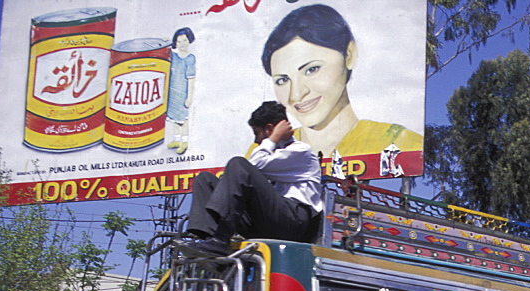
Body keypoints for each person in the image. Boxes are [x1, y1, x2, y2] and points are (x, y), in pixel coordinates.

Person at [261, 4, 422, 165]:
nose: (296, 94)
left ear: (348, 55)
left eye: (312, 69)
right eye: (282, 80)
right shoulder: (268, 151)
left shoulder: (400, 143)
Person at [178, 101, 323, 257]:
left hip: (292, 222)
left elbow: (252, 165)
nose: (256, 141)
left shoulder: (300, 151)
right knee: (205, 179)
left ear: (269, 129)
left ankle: (220, 241)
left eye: (257, 133)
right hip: (266, 221)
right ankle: (204, 238)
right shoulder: (270, 152)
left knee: (238, 164)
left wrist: (272, 139)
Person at [166, 27, 196, 154]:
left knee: (183, 120)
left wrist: (189, 98)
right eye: (179, 41)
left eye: (185, 40)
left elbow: (191, 79)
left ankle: (184, 142)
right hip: (173, 93)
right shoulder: (174, 56)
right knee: (175, 118)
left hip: (183, 93)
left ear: (189, 40)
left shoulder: (190, 58)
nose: (182, 44)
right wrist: (165, 41)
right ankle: (176, 140)